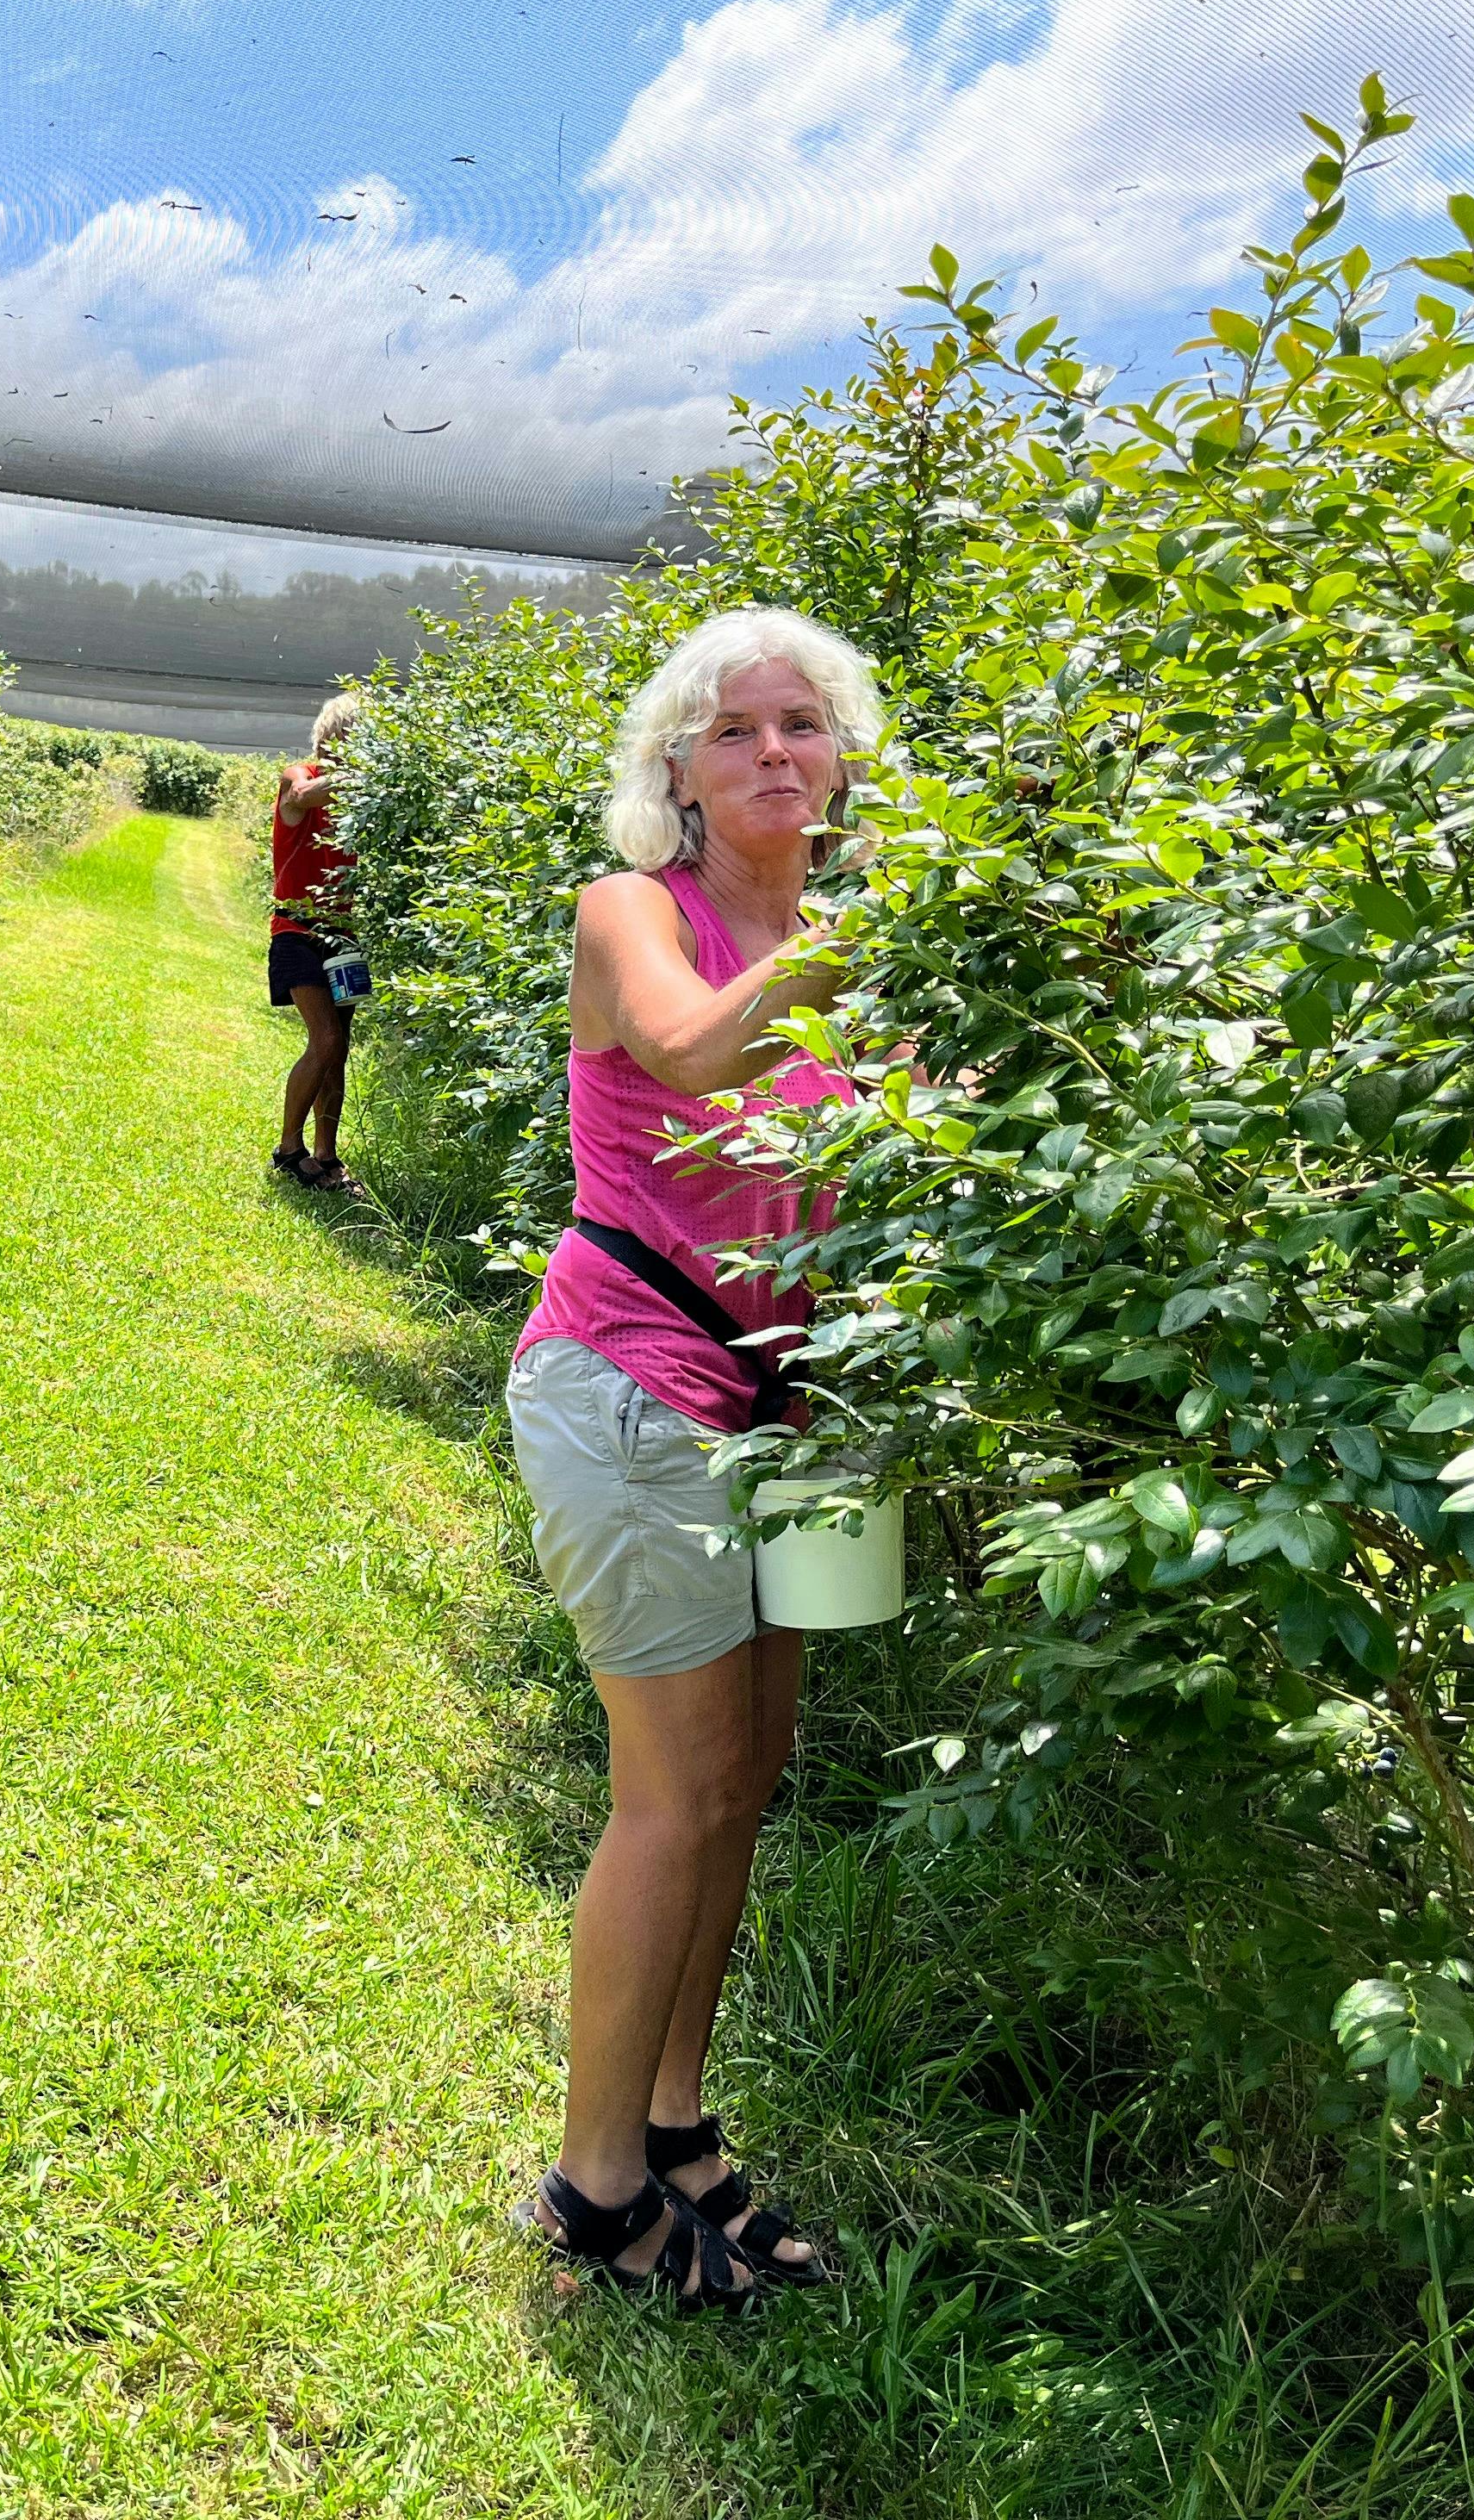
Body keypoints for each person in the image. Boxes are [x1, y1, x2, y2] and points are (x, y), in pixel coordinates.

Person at [508, 607, 875, 2312]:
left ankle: (674, 2124)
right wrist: (856, 948)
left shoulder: (868, 953)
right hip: (633, 1390)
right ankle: (592, 2194)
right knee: (667, 1796)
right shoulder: (629, 914)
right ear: (678, 766)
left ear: (845, 752)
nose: (778, 752)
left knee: (744, 1782)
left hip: (803, 1415)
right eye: (739, 730)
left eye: (806, 723)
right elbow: (691, 1044)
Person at [267, 693, 368, 1192]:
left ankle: (327, 1156)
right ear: (334, 736)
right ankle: (288, 1149)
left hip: (343, 937)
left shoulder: (361, 805)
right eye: (360, 737)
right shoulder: (299, 775)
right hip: (296, 930)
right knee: (324, 1038)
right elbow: (302, 797)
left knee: (339, 1048)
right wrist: (370, 774)